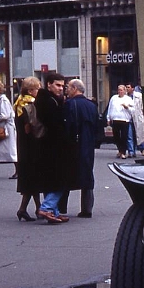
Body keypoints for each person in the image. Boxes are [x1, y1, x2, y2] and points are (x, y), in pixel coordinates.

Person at [34, 72, 70, 223]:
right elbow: (55, 125)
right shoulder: (48, 102)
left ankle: (53, 211)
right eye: (57, 85)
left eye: (62, 85)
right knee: (60, 180)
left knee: (53, 180)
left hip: (48, 146)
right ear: (49, 84)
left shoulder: (49, 99)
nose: (60, 88)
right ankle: (47, 207)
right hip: (53, 147)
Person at [62, 78, 98, 218]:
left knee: (66, 174)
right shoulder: (91, 105)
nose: (66, 90)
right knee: (87, 174)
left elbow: (67, 126)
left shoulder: (70, 104)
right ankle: (87, 208)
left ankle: (61, 206)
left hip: (73, 144)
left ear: (74, 89)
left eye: (68, 87)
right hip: (88, 144)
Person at [13, 76, 42, 221]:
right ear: (31, 90)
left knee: (31, 179)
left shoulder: (19, 102)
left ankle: (31, 208)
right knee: (33, 177)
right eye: (37, 88)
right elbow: (31, 126)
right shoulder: (30, 104)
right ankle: (34, 208)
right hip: (31, 145)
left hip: (23, 145)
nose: (39, 91)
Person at [105, 83, 134, 158]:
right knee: (116, 136)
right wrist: (108, 118)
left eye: (121, 90)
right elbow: (110, 108)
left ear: (125, 91)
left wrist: (127, 107)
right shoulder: (114, 98)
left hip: (125, 120)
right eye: (118, 90)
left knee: (124, 136)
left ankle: (123, 152)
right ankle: (120, 150)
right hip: (115, 119)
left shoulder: (128, 99)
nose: (119, 91)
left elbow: (133, 110)